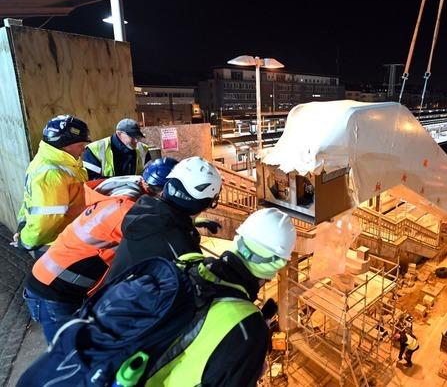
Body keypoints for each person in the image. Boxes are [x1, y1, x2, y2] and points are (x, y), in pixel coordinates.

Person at [22, 158, 178, 343]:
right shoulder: (126, 210)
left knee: (82, 351)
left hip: (59, 285)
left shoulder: (123, 193)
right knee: (69, 358)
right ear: (159, 190)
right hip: (54, 293)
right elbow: (158, 241)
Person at [144, 208, 297, 386]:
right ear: (278, 264)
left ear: (238, 238)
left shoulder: (187, 262)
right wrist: (250, 348)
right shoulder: (247, 329)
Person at [106, 157, 222, 282]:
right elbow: (195, 290)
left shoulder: (145, 211)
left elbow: (170, 219)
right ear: (205, 205)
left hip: (110, 296)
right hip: (139, 300)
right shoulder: (181, 248)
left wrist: (192, 224)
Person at [15, 115, 90, 257]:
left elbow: (30, 201)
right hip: (55, 245)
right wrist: (26, 241)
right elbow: (45, 221)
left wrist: (23, 225)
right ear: (65, 144)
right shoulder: (52, 173)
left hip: (68, 237)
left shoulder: (63, 162)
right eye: (81, 145)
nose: (83, 148)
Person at [82, 118, 150, 180]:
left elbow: (149, 173)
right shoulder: (94, 149)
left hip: (135, 190)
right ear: (119, 134)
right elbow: (92, 179)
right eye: (132, 137)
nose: (136, 141)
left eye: (138, 137)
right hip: (105, 192)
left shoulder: (143, 149)